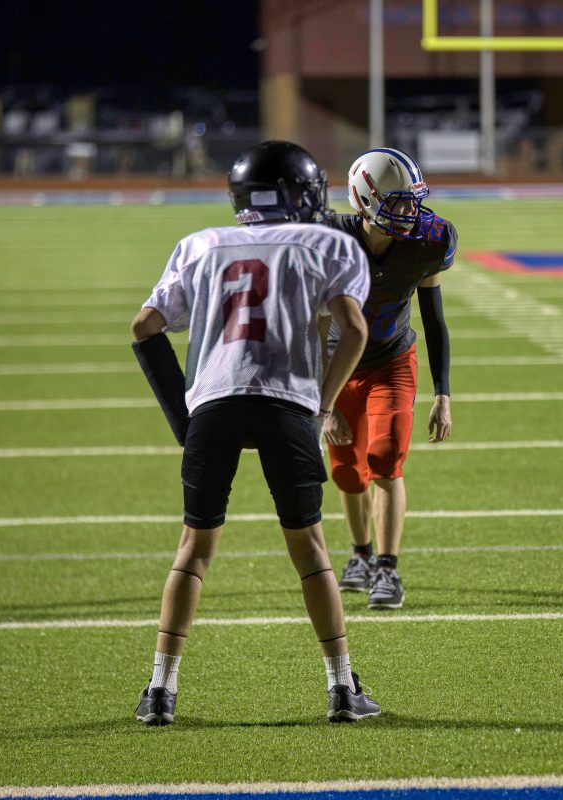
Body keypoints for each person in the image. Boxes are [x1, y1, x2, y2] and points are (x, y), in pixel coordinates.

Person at [129, 140, 379, 725]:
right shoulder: (326, 244)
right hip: (286, 403)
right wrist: (322, 405)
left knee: (193, 550)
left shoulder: (200, 244)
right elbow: (353, 329)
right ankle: (342, 688)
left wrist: (183, 417)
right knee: (311, 551)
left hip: (213, 404)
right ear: (298, 194)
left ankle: (160, 690)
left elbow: (144, 326)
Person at [319, 147, 456, 610]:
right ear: (366, 200)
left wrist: (443, 392)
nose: (411, 212)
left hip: (392, 362)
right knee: (345, 471)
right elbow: (312, 324)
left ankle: (387, 567)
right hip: (338, 365)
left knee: (385, 458)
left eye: (413, 201)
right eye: (399, 203)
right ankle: (360, 555)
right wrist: (324, 402)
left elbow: (433, 316)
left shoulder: (427, 241)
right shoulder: (330, 241)